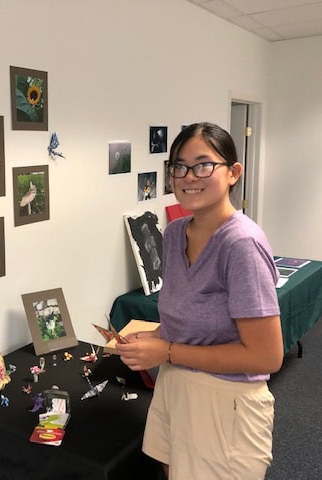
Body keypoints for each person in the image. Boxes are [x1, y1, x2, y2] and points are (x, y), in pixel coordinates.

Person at [116, 122, 283, 479]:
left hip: (227, 401)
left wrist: (167, 351)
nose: (188, 176)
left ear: (233, 173)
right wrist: (156, 337)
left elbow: (267, 355)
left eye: (203, 164)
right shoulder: (175, 233)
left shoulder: (241, 245)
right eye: (179, 166)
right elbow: (184, 317)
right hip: (176, 386)